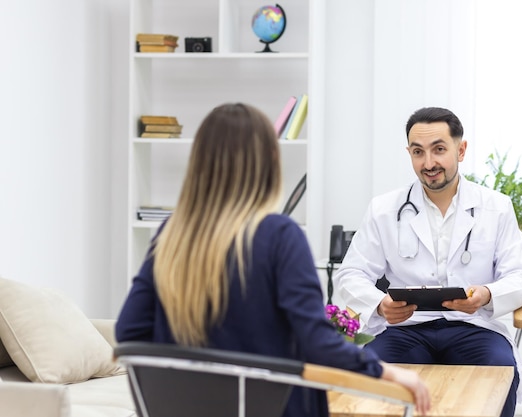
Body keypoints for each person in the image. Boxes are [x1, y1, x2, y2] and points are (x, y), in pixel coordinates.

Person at [115, 103, 430, 417]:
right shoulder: (279, 235)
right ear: (270, 161)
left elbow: (130, 331)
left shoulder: (171, 235)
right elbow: (317, 342)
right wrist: (388, 373)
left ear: (198, 163)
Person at [333, 106, 522, 417]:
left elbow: (521, 276)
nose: (428, 163)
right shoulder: (385, 209)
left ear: (461, 149)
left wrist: (486, 294)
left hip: (473, 326)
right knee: (370, 376)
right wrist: (378, 304)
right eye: (418, 152)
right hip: (405, 329)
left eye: (439, 149)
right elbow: (351, 274)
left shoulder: (495, 207)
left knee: (499, 371)